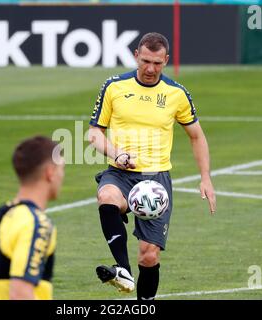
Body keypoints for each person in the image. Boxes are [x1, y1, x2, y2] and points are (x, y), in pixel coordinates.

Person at [88, 32, 216, 300]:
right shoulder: (114, 86)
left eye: (157, 63)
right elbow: (94, 134)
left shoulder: (177, 94)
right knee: (106, 197)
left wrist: (206, 177)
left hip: (155, 181)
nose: (150, 68)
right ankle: (122, 269)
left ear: (166, 60)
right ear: (136, 55)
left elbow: (196, 136)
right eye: (145, 61)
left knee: (148, 256)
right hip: (120, 173)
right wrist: (116, 152)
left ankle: (144, 304)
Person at [0, 136, 64, 300]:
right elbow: (20, 294)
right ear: (50, 172)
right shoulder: (36, 223)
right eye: (62, 169)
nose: (62, 176)